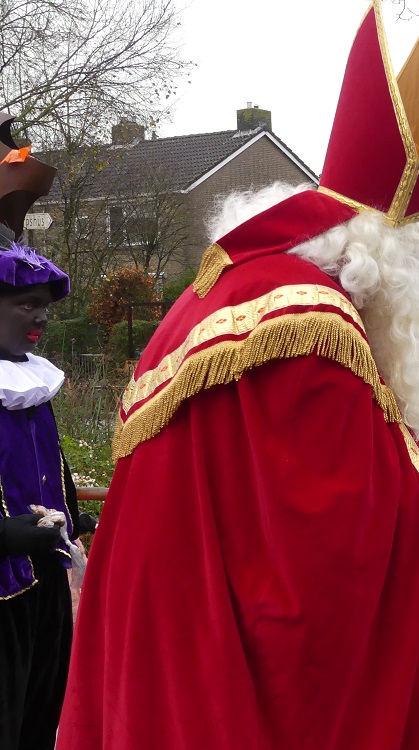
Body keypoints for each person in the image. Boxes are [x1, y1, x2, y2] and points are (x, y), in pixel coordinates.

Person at [57, 5, 419, 750]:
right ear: (386, 257)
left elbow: (320, 471)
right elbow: (332, 535)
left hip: (173, 625)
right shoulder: (315, 325)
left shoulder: (242, 289)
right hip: (221, 658)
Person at [0, 114, 80, 750]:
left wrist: (71, 513)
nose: (40, 318)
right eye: (25, 304)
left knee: (41, 716)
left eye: (44, 308)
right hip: (1, 588)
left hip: (44, 577)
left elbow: (49, 465)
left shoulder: (31, 382)